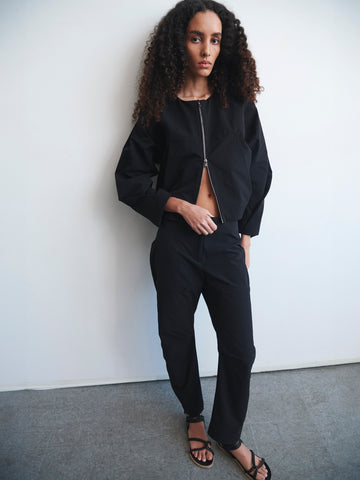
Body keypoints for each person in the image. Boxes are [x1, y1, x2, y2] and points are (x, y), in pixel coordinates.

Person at [115, 1, 272, 478]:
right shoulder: (157, 110)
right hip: (176, 244)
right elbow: (130, 179)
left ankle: (228, 433)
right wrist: (180, 205)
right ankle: (194, 416)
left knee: (240, 347)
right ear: (177, 43)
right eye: (197, 37)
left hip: (226, 242)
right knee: (176, 337)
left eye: (216, 39)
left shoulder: (239, 106)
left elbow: (260, 174)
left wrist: (245, 237)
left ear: (226, 47)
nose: (207, 49)